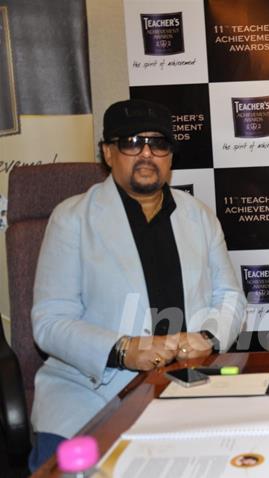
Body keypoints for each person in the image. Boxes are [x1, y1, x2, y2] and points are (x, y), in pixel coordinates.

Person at [29, 99, 245, 470]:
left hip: (184, 385)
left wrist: (208, 338)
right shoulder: (72, 219)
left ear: (170, 156)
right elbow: (49, 322)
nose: (147, 153)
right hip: (88, 394)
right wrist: (122, 349)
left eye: (158, 144)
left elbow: (230, 298)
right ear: (108, 153)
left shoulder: (199, 216)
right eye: (131, 142)